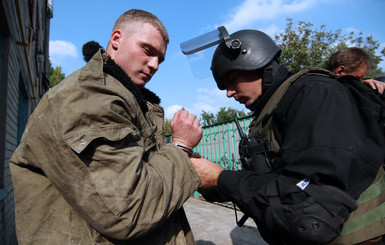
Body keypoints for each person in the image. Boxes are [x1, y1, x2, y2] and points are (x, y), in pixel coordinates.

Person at [10, 9, 202, 245]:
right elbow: (130, 212)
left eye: (160, 59)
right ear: (116, 39)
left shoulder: (128, 101)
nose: (154, 65)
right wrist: (181, 147)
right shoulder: (88, 97)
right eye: (147, 51)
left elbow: (149, 174)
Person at [186, 28, 385, 244]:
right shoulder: (273, 109)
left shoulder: (314, 94)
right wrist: (211, 182)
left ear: (259, 64)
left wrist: (221, 178)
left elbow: (310, 214)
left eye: (232, 79)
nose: (229, 93)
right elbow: (266, 183)